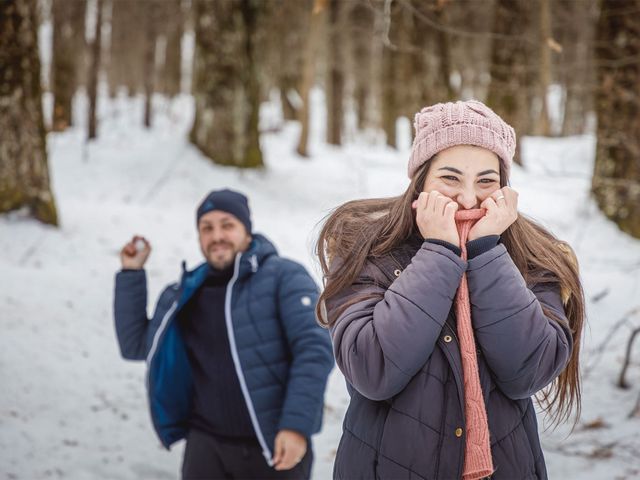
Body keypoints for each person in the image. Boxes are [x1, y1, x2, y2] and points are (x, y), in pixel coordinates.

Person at [316, 100, 585, 480]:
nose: (469, 198)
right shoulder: (364, 247)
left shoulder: (533, 258)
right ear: (420, 180)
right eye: (450, 178)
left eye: (487, 181)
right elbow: (371, 368)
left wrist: (486, 252)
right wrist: (439, 253)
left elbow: (530, 369)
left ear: (505, 187)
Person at [114, 188, 334, 480]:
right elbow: (135, 346)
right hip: (205, 448)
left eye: (227, 225)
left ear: (247, 230)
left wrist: (296, 426)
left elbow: (314, 349)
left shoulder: (284, 276)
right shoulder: (185, 292)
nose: (217, 236)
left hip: (272, 446)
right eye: (207, 228)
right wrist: (131, 273)